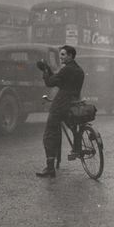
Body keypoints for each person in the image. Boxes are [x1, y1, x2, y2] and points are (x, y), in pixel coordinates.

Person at [35, 45, 84, 178]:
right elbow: (59, 81)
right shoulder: (79, 70)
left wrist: (45, 70)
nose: (61, 57)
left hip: (61, 103)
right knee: (74, 127)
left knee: (49, 133)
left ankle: (50, 168)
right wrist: (50, 70)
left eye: (63, 55)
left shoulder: (66, 70)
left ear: (70, 56)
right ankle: (77, 148)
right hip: (75, 103)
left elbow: (50, 83)